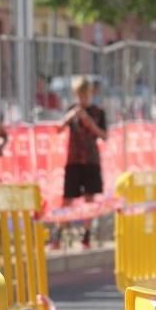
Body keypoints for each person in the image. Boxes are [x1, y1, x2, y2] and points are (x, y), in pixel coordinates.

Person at [56, 75, 107, 248]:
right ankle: (59, 234)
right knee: (67, 198)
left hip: (91, 161)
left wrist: (88, 121)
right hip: (73, 161)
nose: (82, 98)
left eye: (85, 94)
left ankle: (86, 236)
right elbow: (58, 128)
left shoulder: (98, 112)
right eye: (79, 94)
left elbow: (104, 135)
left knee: (89, 199)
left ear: (90, 93)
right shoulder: (72, 109)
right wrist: (70, 116)